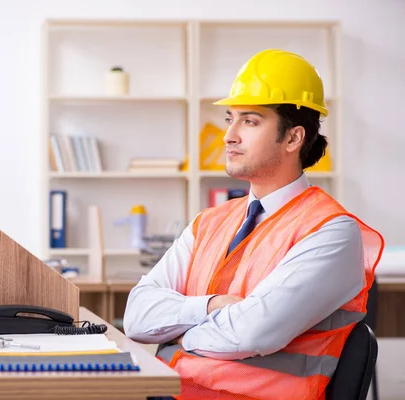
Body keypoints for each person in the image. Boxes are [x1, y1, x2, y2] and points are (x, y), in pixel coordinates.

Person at [123, 49, 384, 400]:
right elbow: (137, 318)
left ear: (293, 138)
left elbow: (253, 332)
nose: (228, 135)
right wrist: (212, 306)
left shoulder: (330, 231)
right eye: (230, 118)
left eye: (250, 121)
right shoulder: (209, 222)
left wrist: (176, 334)